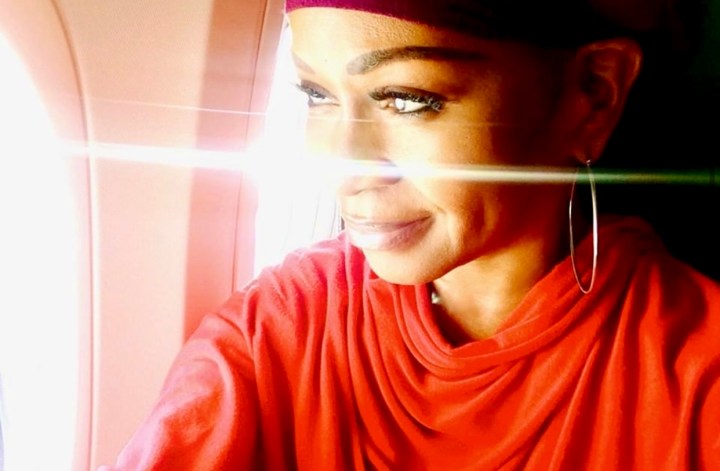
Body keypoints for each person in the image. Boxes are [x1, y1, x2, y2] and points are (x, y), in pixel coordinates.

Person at [100, 0, 720, 469]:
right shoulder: (277, 330)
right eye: (316, 95)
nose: (343, 170)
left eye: (407, 99)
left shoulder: (697, 375)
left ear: (591, 96)